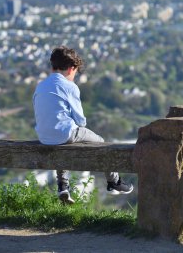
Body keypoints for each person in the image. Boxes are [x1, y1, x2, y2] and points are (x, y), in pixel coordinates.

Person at [33, 46, 133, 204]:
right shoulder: (69, 86)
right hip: (64, 133)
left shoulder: (41, 85)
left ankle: (63, 186)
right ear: (72, 68)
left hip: (44, 136)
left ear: (53, 66)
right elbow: (81, 121)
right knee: (101, 142)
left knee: (61, 141)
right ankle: (114, 182)